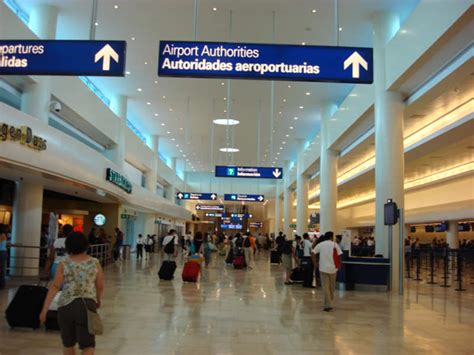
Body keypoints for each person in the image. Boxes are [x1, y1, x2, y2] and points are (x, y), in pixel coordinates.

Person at [40, 232, 104, 355]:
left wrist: (45, 308)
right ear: (86, 245)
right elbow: (100, 285)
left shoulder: (63, 263)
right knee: (88, 344)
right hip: (87, 305)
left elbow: (55, 286)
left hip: (65, 306)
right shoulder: (94, 262)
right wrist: (98, 299)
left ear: (68, 246)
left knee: (68, 343)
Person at [312, 231, 342, 312]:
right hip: (333, 269)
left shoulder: (320, 244)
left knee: (325, 287)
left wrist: (315, 263)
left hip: (323, 268)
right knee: (331, 287)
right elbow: (340, 255)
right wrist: (339, 265)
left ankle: (327, 303)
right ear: (331, 237)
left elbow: (313, 252)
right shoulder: (335, 244)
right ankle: (328, 304)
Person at [0, 224, 7, 289]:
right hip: (2, 252)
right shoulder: (3, 235)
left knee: (1, 269)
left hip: (1, 252)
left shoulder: (2, 235)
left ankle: (2, 284)